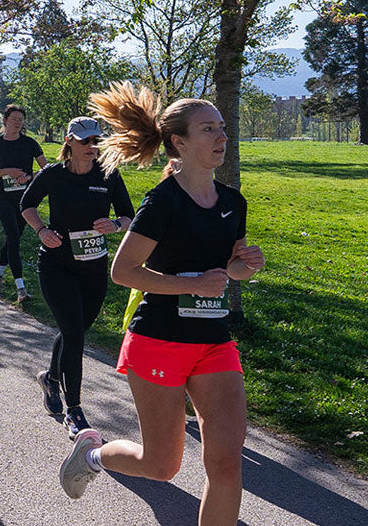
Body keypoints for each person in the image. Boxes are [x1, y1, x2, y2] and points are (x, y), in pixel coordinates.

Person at [58, 84, 265, 526]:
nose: (221, 137)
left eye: (222, 128)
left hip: (214, 342)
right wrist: (194, 282)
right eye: (208, 129)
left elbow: (231, 269)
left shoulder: (233, 202)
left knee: (226, 463)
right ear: (179, 142)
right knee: (161, 466)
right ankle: (92, 455)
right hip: (159, 340)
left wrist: (245, 265)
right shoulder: (163, 202)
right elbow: (123, 271)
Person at [18, 117, 134, 438]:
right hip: (56, 266)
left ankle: (51, 378)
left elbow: (129, 214)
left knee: (75, 331)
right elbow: (27, 204)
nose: (92, 147)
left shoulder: (108, 174)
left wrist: (116, 225)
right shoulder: (52, 174)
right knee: (74, 335)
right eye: (85, 141)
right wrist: (41, 230)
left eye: (96, 140)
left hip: (93, 270)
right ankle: (75, 410)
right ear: (69, 141)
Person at [0, 104, 49, 303]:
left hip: (25, 200)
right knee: (13, 236)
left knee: (14, 239)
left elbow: (47, 170)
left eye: (21, 119)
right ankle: (21, 289)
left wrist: (28, 177)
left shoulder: (30, 144)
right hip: (3, 199)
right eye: (14, 119)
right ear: (5, 121)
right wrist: (7, 171)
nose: (18, 123)